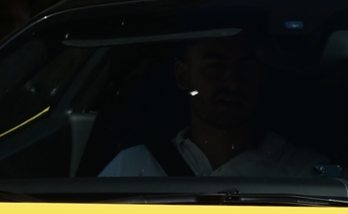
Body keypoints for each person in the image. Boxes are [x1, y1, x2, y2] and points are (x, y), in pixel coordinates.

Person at [99, 33, 327, 178]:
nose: (232, 82)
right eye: (215, 67)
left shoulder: (306, 174)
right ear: (182, 75)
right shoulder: (132, 167)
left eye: (246, 67)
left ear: (261, 77)